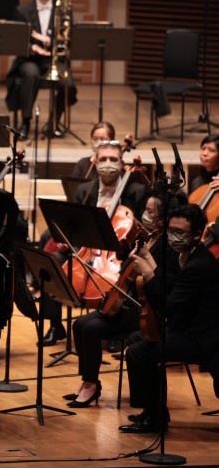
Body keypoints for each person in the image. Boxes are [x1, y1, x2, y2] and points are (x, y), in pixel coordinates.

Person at [63, 193, 178, 408]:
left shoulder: (166, 246)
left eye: (150, 211)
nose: (144, 214)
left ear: (163, 218)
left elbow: (160, 280)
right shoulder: (146, 236)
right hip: (128, 302)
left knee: (89, 329)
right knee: (79, 324)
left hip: (144, 310)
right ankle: (88, 381)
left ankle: (91, 386)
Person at [39, 140, 150, 346]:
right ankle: (55, 325)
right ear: (95, 162)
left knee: (127, 274)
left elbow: (144, 228)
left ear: (122, 163)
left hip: (121, 253)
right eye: (103, 159)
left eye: (113, 159)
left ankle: (117, 329)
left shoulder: (137, 190)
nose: (108, 163)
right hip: (87, 250)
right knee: (53, 262)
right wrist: (68, 241)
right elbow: (75, 223)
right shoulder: (85, 189)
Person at [120, 204, 219, 433]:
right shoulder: (185, 255)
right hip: (186, 329)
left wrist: (146, 272)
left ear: (196, 235)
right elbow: (171, 288)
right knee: (136, 339)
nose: (173, 237)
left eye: (180, 233)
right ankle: (154, 411)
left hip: (202, 339)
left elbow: (168, 306)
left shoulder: (199, 265)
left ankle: (154, 420)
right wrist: (150, 260)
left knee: (138, 353)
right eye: (170, 231)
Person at [7, 0, 78, 137]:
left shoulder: (62, 10)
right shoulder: (22, 11)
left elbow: (68, 39)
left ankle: (53, 122)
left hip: (53, 60)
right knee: (30, 74)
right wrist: (34, 47)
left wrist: (54, 46)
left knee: (68, 84)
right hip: (29, 59)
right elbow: (18, 39)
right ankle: (25, 121)